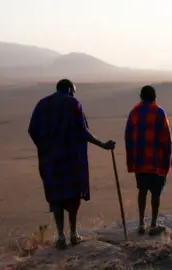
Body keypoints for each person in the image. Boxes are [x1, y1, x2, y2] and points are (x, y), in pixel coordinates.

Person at [28, 79, 115, 250]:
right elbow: (82, 131)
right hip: (70, 159)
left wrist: (45, 147)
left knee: (56, 195)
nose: (74, 95)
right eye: (73, 91)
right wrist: (103, 144)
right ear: (69, 89)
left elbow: (32, 130)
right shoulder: (72, 103)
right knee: (73, 195)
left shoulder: (42, 104)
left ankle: (60, 235)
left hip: (50, 161)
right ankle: (73, 234)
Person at [125, 85, 172, 236]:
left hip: (140, 160)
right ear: (154, 97)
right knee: (156, 193)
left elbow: (128, 136)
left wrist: (132, 157)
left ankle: (141, 223)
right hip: (156, 161)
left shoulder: (134, 112)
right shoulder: (159, 113)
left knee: (142, 190)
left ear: (141, 96)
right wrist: (169, 157)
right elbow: (166, 137)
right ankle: (153, 223)